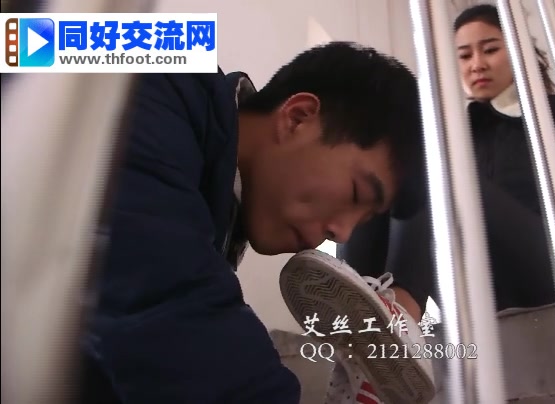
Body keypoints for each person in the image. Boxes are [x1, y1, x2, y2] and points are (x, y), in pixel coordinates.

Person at [281, 4, 555, 402]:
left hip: (550, 268)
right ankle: (365, 331)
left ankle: (399, 317)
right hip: (475, 281)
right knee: (388, 170)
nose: (477, 64)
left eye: (490, 49)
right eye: (464, 55)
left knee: (429, 161)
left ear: (520, 50)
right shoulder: (458, 128)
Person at [78, 41, 434, 404]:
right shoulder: (163, 63)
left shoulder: (217, 210)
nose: (342, 232)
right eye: (357, 193)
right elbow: (158, 293)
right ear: (297, 118)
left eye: (364, 220)